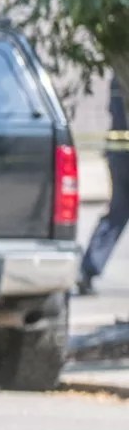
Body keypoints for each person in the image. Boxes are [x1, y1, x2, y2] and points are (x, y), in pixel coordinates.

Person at [78, 75, 128, 295]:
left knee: (117, 212)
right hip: (120, 155)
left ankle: (88, 269)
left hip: (118, 155)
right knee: (118, 212)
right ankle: (88, 268)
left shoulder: (119, 76)